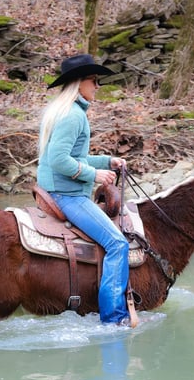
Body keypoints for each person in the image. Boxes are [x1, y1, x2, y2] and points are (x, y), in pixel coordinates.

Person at [36, 54, 130, 325]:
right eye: (94, 80)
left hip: (57, 189)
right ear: (79, 83)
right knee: (117, 244)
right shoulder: (73, 116)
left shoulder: (64, 111)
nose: (98, 86)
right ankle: (114, 318)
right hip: (66, 195)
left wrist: (107, 161)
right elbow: (58, 160)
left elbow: (72, 156)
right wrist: (94, 174)